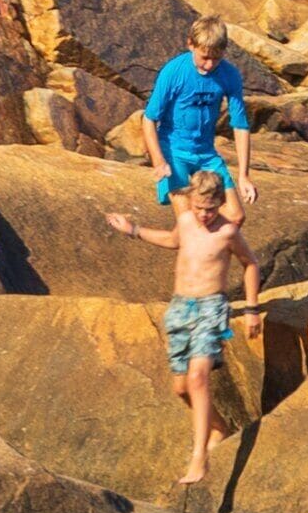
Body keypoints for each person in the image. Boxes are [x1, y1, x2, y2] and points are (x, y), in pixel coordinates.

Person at [101, 167, 260, 488]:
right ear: (192, 201)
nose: (204, 215)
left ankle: (198, 455)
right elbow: (173, 240)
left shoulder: (228, 233)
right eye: (199, 207)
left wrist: (253, 308)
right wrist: (133, 229)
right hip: (180, 309)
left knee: (198, 379)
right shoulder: (187, 221)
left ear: (220, 203)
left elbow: (251, 263)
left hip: (211, 309)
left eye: (211, 209)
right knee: (181, 389)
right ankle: (218, 428)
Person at [143, 15, 253, 207]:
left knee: (235, 216)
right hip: (173, 150)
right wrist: (159, 160)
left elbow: (240, 126)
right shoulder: (174, 71)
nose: (210, 65)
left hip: (206, 153)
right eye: (205, 57)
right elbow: (149, 119)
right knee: (188, 218)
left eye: (216, 58)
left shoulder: (230, 75)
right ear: (191, 45)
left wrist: (244, 176)